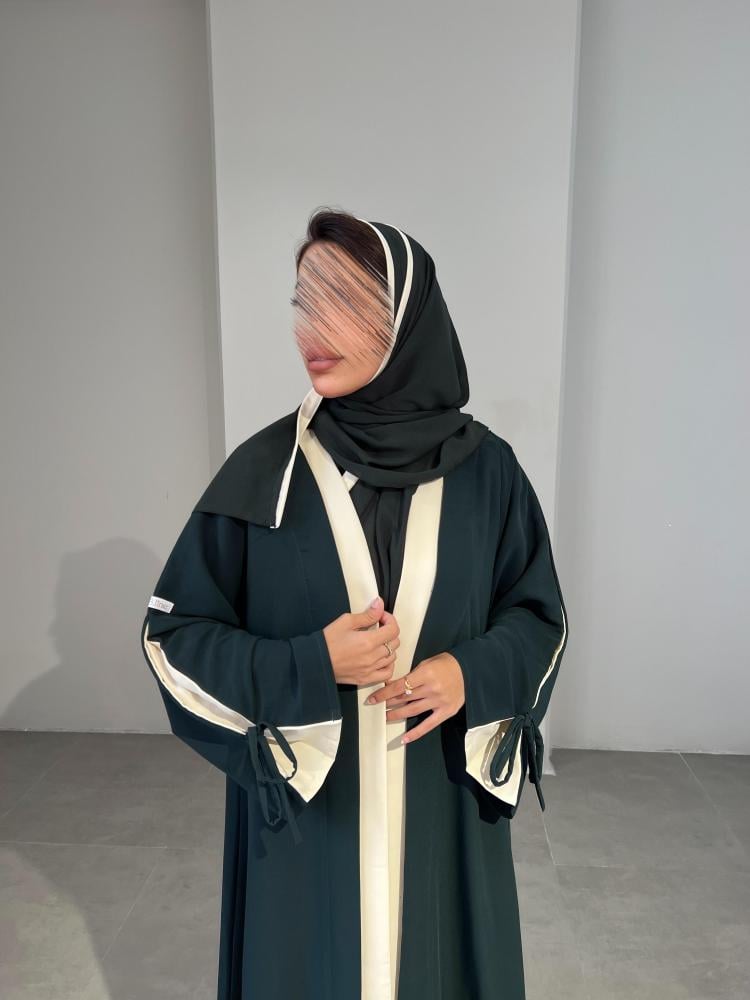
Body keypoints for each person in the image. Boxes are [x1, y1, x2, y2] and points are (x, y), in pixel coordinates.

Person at [139, 209, 569, 1000]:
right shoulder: (264, 474)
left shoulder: (489, 476)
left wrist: (469, 673)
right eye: (303, 301)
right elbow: (174, 637)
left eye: (342, 301)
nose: (311, 328)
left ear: (405, 316)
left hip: (441, 819)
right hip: (309, 837)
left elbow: (539, 617)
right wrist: (310, 664)